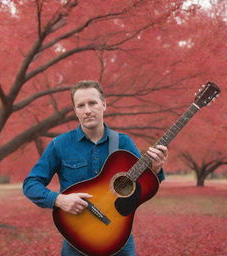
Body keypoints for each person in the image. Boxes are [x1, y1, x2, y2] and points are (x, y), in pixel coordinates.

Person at [23, 80, 168, 256]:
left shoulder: (123, 142)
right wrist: (59, 200)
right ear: (75, 110)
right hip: (77, 240)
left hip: (119, 238)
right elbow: (31, 184)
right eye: (81, 105)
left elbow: (145, 186)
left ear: (104, 104)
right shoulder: (59, 145)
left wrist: (156, 169)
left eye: (92, 103)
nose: (87, 110)